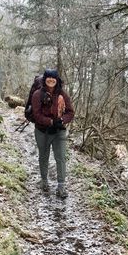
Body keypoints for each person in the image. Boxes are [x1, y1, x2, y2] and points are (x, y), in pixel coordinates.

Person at [32, 69, 74, 198]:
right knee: (43, 156)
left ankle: (61, 186)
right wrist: (50, 121)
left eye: (53, 78)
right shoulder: (37, 94)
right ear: (45, 79)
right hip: (42, 131)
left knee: (60, 158)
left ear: (57, 80)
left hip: (59, 131)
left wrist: (61, 120)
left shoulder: (63, 94)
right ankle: (44, 181)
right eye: (48, 78)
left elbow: (70, 112)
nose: (51, 80)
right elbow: (36, 114)